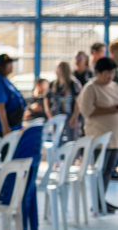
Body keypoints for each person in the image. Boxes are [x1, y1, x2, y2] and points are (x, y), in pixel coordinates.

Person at [76, 57, 118, 213]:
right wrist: (110, 110)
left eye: (113, 73)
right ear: (98, 72)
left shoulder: (114, 87)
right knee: (98, 171)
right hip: (98, 138)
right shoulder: (90, 88)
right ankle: (96, 201)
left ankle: (101, 199)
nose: (110, 76)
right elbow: (87, 111)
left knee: (108, 170)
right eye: (107, 73)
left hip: (115, 138)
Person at [0, 54, 26, 140]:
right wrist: (5, 127)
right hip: (5, 129)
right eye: (9, 64)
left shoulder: (6, 81)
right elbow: (0, 106)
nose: (11, 66)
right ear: (2, 66)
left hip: (14, 126)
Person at [44, 61, 82, 142]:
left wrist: (75, 116)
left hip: (69, 116)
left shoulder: (73, 83)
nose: (58, 71)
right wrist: (49, 113)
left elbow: (78, 100)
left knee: (71, 140)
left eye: (60, 69)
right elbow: (46, 98)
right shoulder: (53, 84)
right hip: (56, 115)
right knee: (57, 140)